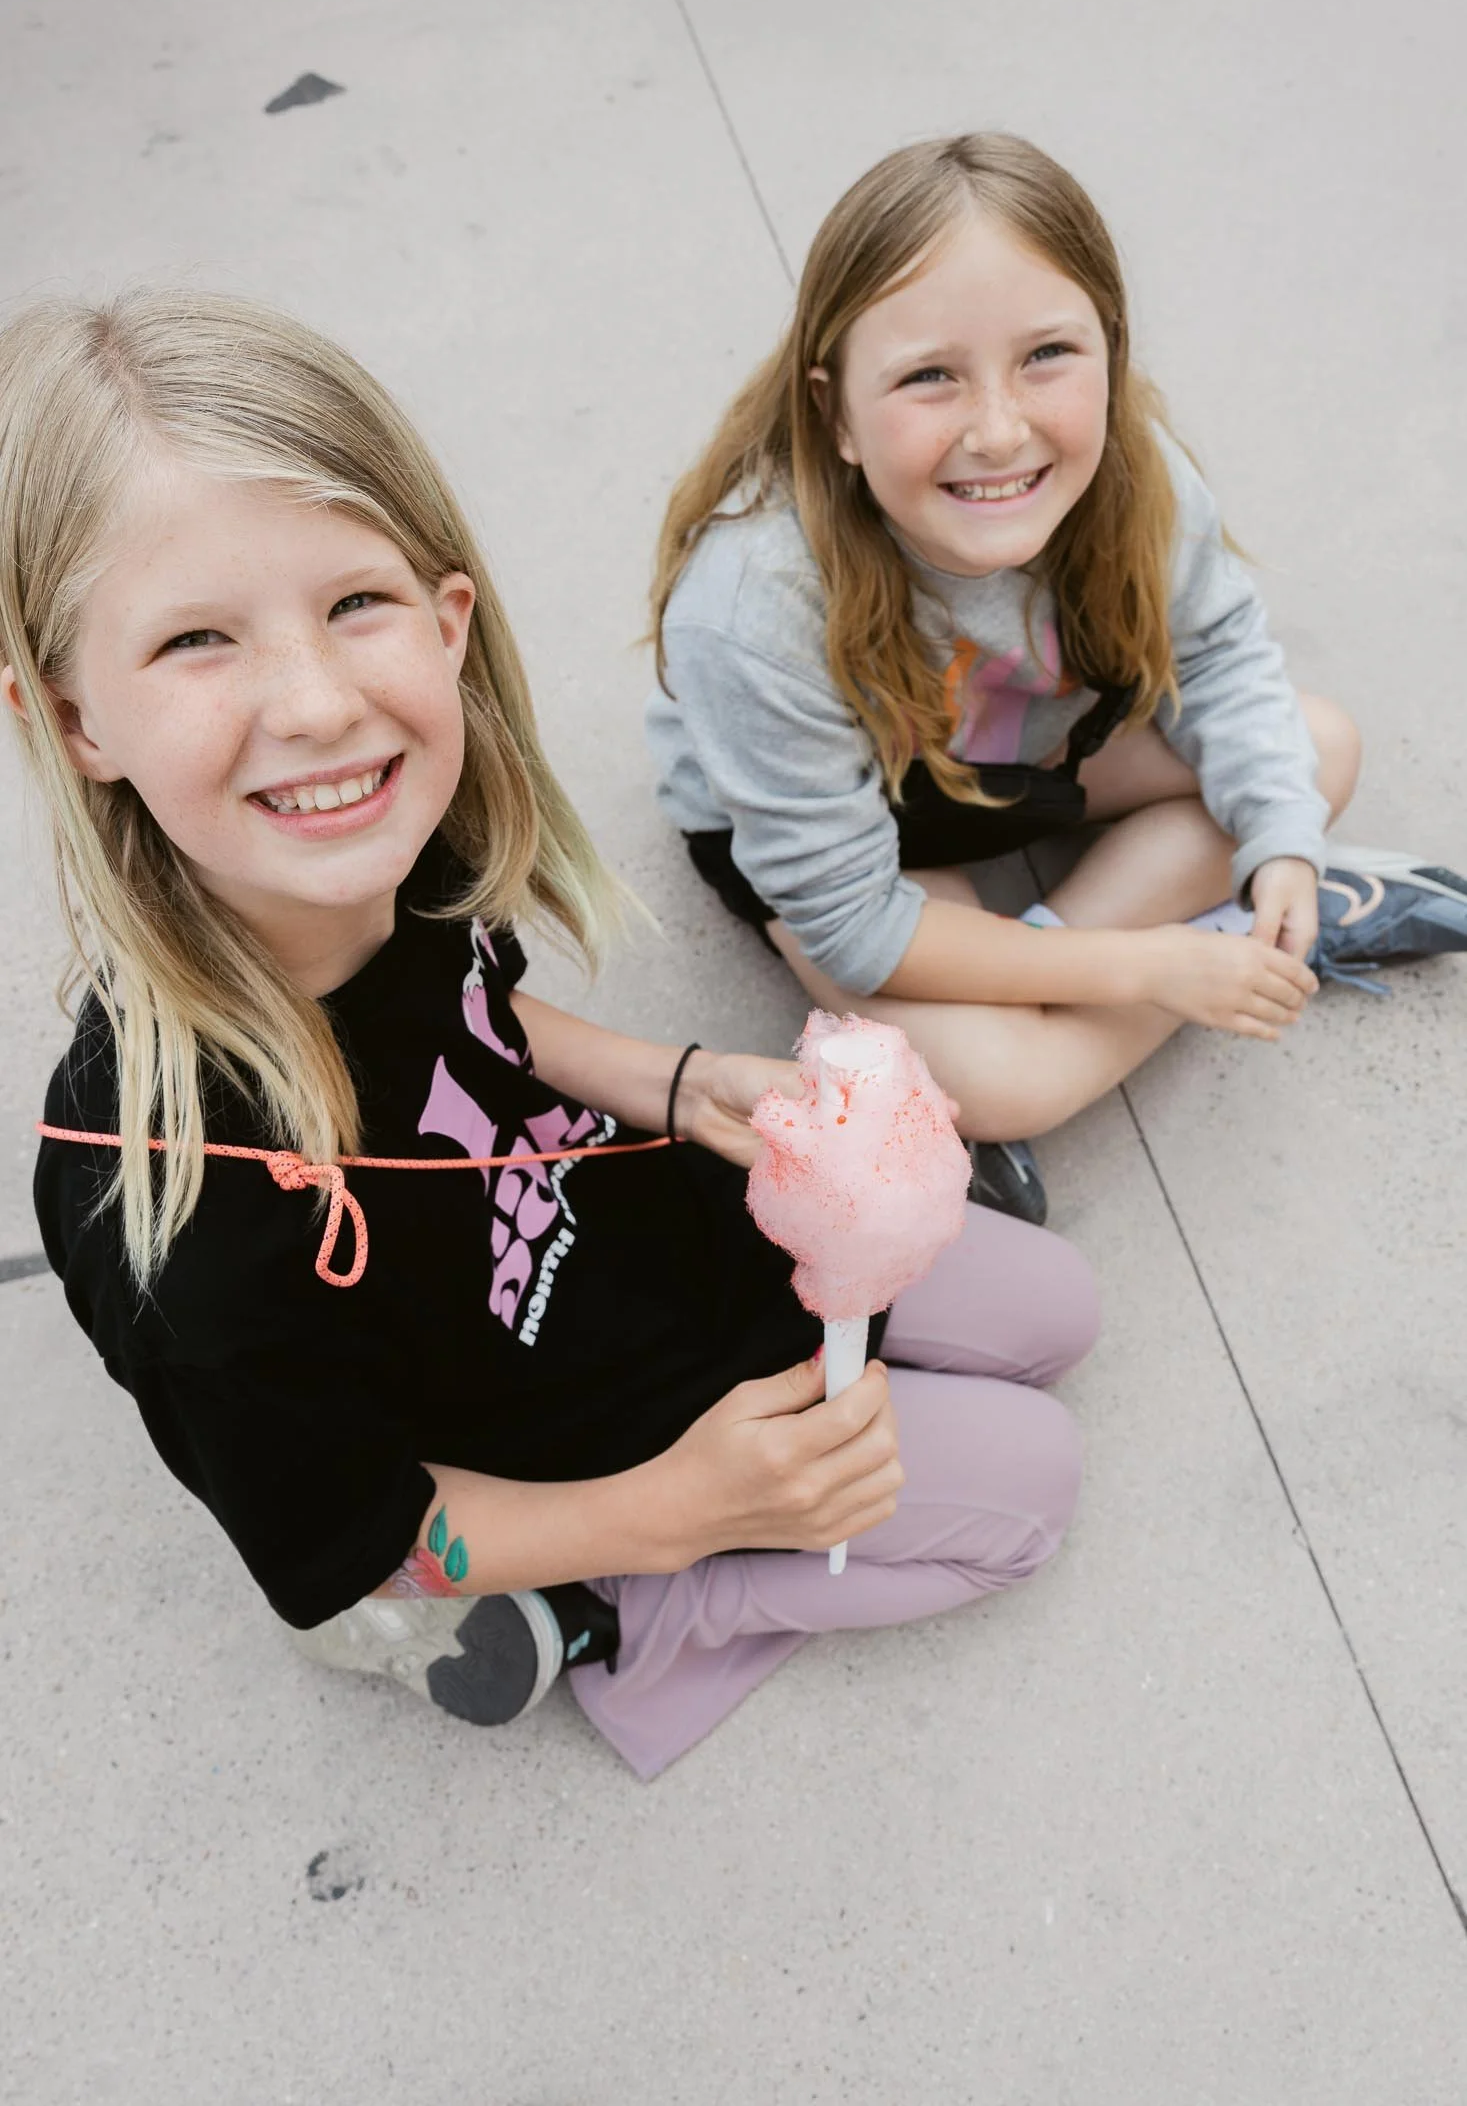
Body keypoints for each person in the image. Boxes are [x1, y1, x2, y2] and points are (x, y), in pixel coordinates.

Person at [2, 291, 1098, 1782]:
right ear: (72, 720)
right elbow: (353, 1527)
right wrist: (688, 1510)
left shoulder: (395, 838)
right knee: (1028, 1491)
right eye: (197, 640)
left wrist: (681, 1081)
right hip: (562, 1444)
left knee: (1052, 1312)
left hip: (638, 1242)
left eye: (353, 605)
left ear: (447, 621)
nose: (317, 705)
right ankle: (629, 1627)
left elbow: (476, 1016)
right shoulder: (177, 1220)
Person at [646, 133, 1467, 1227]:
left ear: (1112, 352)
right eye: (930, 375)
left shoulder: (1137, 474)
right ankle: (1230, 948)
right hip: (860, 827)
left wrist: (1279, 843)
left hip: (1017, 747)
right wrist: (1151, 970)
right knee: (999, 1080)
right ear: (835, 410)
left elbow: (1223, 657)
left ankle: (1241, 920)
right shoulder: (750, 605)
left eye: (1048, 356)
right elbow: (853, 922)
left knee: (1312, 754)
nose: (999, 428)